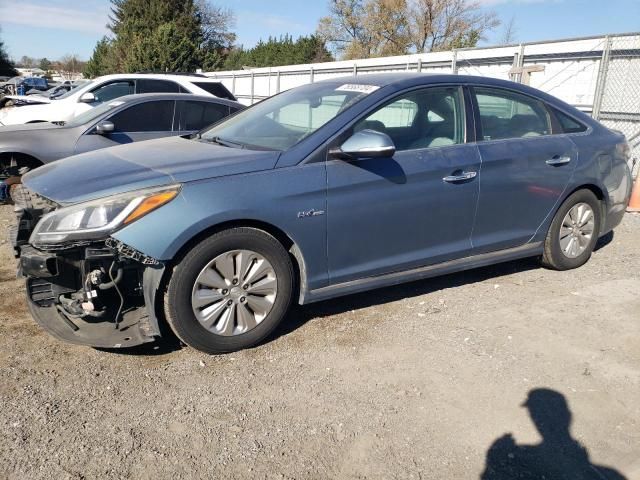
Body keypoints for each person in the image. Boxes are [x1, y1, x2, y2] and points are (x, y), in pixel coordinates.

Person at [481, 388, 627, 480]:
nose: (534, 417)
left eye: (534, 412)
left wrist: (492, 457)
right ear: (568, 415)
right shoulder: (611, 474)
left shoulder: (522, 453)